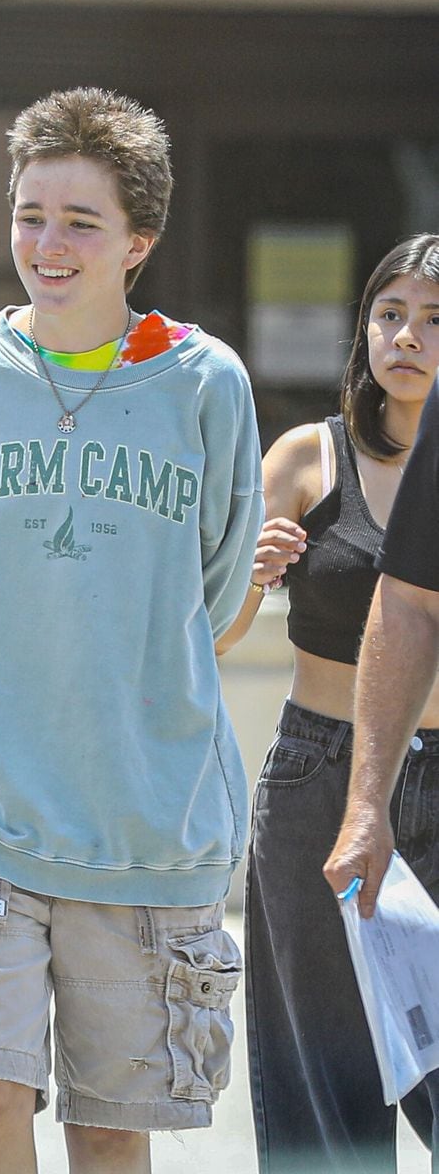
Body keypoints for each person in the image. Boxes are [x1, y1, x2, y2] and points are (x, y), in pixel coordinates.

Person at [0, 86, 263, 1174]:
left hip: (142, 816)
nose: (44, 245)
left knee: (108, 1130)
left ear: (136, 241)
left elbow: (214, 580)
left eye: (78, 222)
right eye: (27, 214)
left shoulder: (204, 382)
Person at [218, 234, 439, 1173]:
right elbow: (212, 636)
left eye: (434, 319)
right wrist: (249, 579)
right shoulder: (311, 455)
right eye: (390, 314)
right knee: (328, 1090)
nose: (407, 337)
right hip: (322, 775)